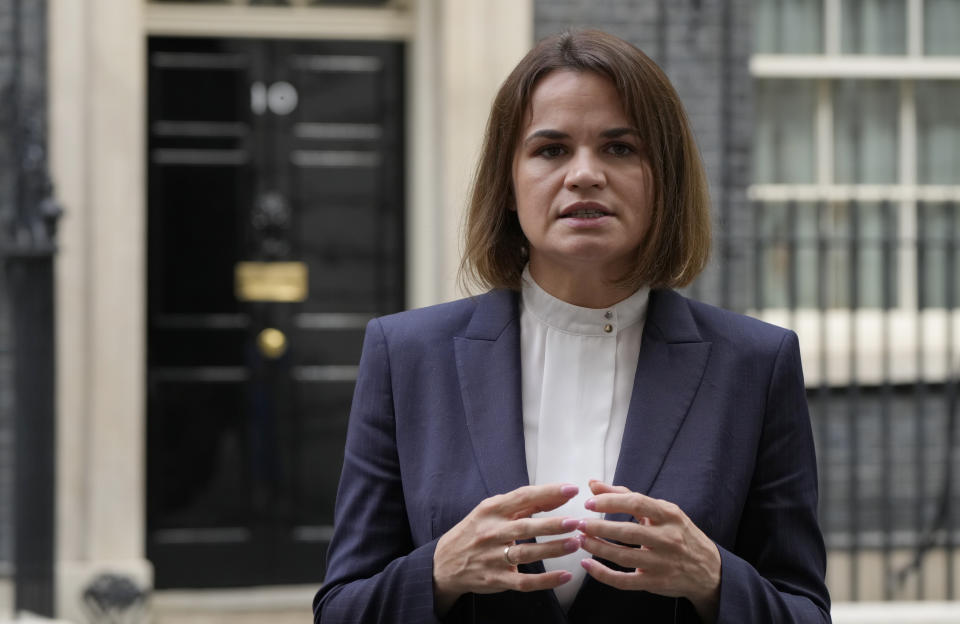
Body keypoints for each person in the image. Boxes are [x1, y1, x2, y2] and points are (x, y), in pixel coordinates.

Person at [313, 29, 830, 624]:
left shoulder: (755, 363)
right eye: (551, 150)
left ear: (664, 179)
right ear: (508, 185)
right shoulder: (406, 355)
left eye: (620, 148)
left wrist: (713, 578)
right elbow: (340, 611)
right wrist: (438, 571)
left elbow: (806, 612)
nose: (584, 174)